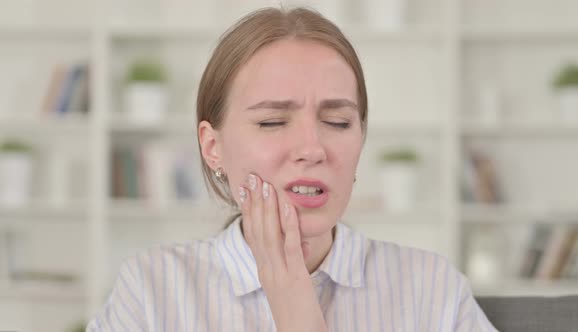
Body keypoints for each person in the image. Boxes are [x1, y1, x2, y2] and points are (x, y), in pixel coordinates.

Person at [87, 6, 497, 332]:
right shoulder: (152, 289)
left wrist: (297, 311)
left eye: (337, 122)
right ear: (213, 147)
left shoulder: (431, 289)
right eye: (272, 122)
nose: (312, 149)